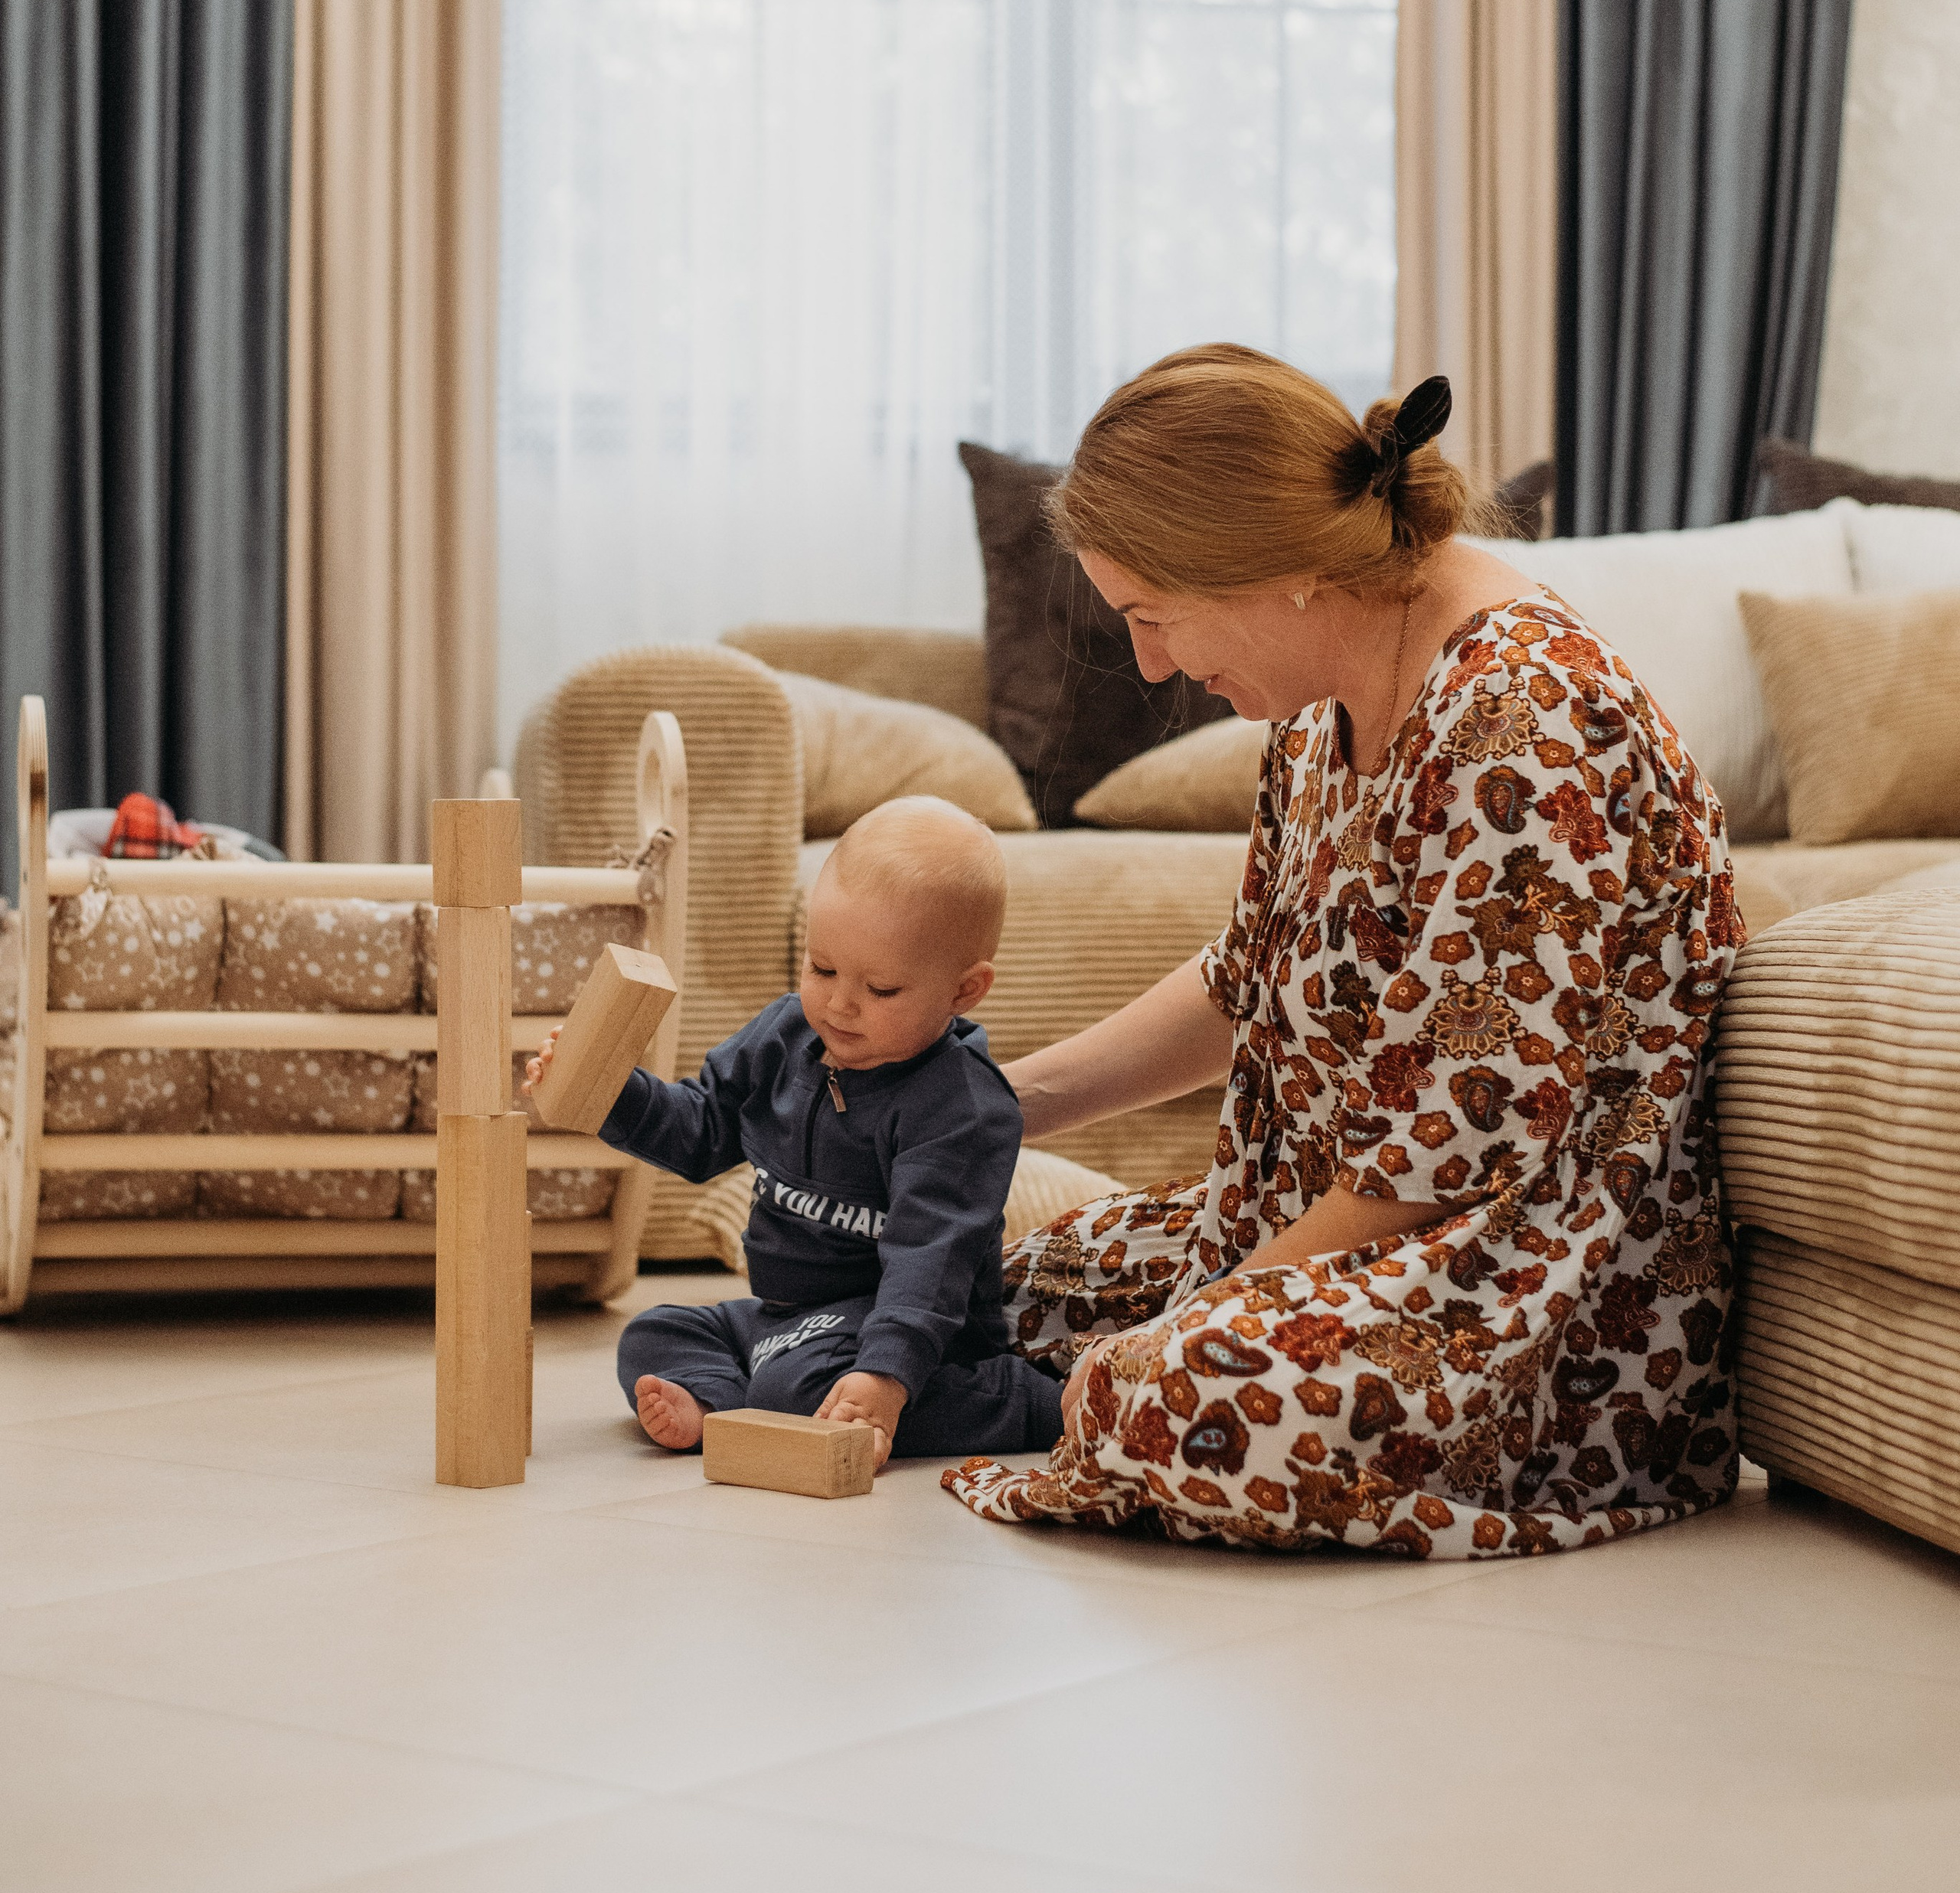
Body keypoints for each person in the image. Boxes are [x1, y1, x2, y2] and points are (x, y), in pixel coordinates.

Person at [943, 344, 1743, 1558]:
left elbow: (1448, 1154)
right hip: (1341, 1231)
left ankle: (1151, 1381)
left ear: (1278, 569)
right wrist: (992, 1110)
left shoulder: (1520, 717)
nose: (1152, 662)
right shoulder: (1318, 710)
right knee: (979, 1290)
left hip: (1525, 1304)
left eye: (1153, 616)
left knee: (1170, 1387)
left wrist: (1206, 1311)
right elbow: (1243, 984)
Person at [527, 796, 1064, 1471]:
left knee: (798, 1385)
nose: (839, 1003)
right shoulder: (784, 1038)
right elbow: (698, 1132)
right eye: (822, 968)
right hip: (783, 1313)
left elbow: (931, 1262)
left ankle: (1026, 1401)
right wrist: (611, 1088)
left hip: (896, 1326)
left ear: (965, 991)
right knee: (653, 1332)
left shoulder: (960, 1107)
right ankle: (718, 1401)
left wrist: (886, 1376)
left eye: (882, 989)